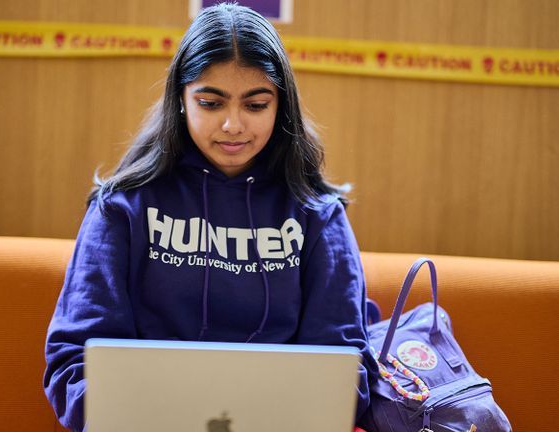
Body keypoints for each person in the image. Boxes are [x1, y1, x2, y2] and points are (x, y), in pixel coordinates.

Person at [43, 3, 377, 431]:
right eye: (210, 102)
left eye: (256, 105)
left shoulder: (317, 215)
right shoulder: (121, 208)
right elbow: (74, 360)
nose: (233, 124)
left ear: (281, 108)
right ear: (180, 101)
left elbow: (345, 368)